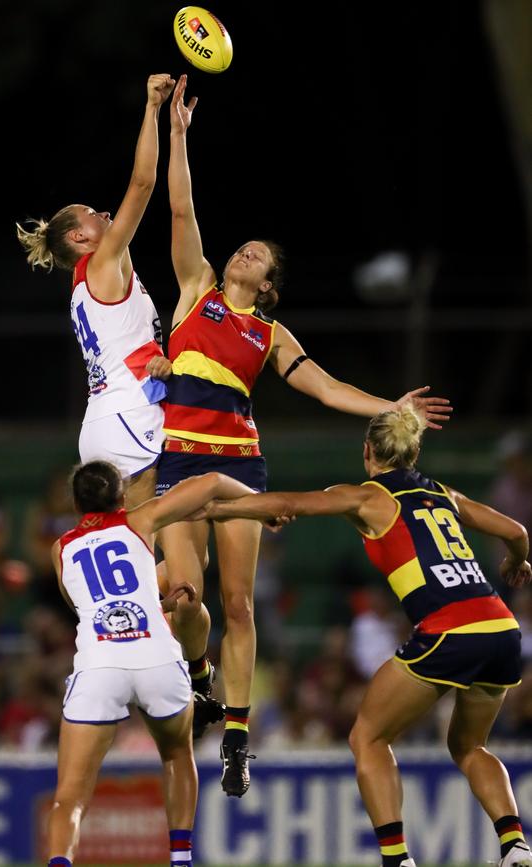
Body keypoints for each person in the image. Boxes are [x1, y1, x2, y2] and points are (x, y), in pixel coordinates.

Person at [158, 72, 453, 797]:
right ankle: (198, 676)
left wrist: (394, 402)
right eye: (244, 247)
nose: (244, 252)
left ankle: (234, 734)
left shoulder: (270, 332)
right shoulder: (194, 287)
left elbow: (325, 388)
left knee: (236, 605)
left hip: (239, 466)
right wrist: (176, 134)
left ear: (270, 282)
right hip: (178, 455)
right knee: (183, 597)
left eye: (258, 254)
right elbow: (180, 203)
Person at [202, 404, 532, 867]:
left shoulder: (367, 498)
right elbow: (516, 531)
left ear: (367, 452)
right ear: (414, 453)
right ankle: (514, 844)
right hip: (501, 629)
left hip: (448, 630)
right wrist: (515, 562)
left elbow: (289, 504)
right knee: (470, 746)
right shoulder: (443, 493)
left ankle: (397, 860)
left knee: (368, 738)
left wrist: (214, 506)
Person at [46, 461, 261, 867]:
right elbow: (212, 482)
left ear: (75, 503)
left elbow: (89, 607)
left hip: (100, 666)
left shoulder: (61, 548)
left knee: (69, 798)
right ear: (122, 497)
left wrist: (148, 602)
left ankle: (61, 862)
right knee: (177, 756)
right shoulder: (142, 519)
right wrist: (263, 506)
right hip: (156, 658)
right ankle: (181, 859)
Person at [16, 74, 176, 508]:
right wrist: (152, 109)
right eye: (90, 213)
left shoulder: (89, 280)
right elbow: (142, 185)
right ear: (76, 239)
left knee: (171, 556)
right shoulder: (103, 262)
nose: (103, 212)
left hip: (106, 419)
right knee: (151, 546)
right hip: (129, 415)